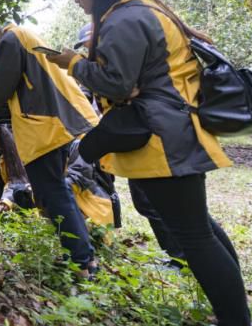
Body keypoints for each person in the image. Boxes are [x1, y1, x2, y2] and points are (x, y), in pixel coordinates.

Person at [47, 0, 252, 326]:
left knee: (194, 236)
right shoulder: (144, 7)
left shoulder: (126, 19)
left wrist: (72, 62)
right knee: (200, 230)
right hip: (176, 130)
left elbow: (117, 85)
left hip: (164, 138)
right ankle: (238, 323)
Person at [0, 17, 100, 277]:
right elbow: (21, 87)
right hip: (54, 123)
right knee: (57, 193)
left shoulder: (10, 39)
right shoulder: (24, 37)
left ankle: (81, 262)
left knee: (53, 195)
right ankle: (84, 257)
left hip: (44, 128)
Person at [75, 22, 185, 266]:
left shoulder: (122, 61)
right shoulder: (101, 70)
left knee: (172, 208)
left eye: (90, 45)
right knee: (149, 203)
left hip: (155, 139)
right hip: (137, 143)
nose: (89, 52)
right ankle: (178, 256)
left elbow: (126, 90)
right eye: (85, 48)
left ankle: (181, 259)